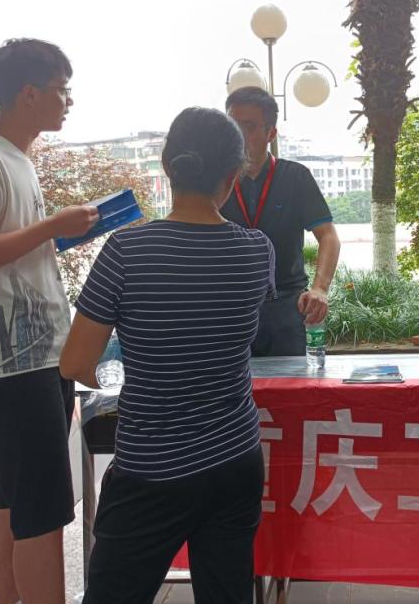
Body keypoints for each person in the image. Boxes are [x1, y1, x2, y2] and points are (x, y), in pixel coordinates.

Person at [60, 107, 274, 604]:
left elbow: (74, 364)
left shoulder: (126, 251)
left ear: (167, 166)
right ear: (232, 176)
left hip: (150, 467)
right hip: (236, 457)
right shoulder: (256, 250)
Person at [0, 39, 98, 604]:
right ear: (28, 93)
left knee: (10, 497)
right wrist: (52, 226)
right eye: (61, 89)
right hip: (11, 367)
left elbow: (11, 248)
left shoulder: (17, 160)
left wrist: (59, 230)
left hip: (37, 358)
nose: (68, 101)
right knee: (42, 510)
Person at [221, 87, 340, 357]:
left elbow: (328, 235)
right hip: (230, 307)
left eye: (249, 127)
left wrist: (320, 289)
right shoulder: (217, 181)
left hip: (286, 305)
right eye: (232, 127)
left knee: (291, 380)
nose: (239, 136)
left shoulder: (295, 177)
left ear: (271, 133)